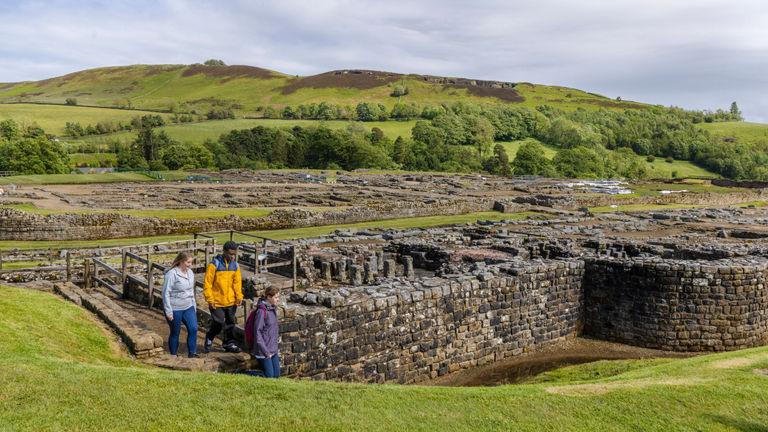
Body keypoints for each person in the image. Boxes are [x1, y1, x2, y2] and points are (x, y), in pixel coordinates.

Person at [203, 241, 243, 353]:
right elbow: (207, 284)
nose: (232, 256)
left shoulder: (235, 265)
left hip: (231, 301)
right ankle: (210, 337)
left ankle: (229, 344)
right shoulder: (213, 265)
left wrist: (239, 296)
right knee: (218, 323)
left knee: (231, 323)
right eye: (230, 254)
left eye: (234, 254)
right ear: (224, 251)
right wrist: (210, 299)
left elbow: (237, 283)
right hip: (216, 301)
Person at [161, 251, 199, 358]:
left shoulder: (190, 273)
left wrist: (194, 305)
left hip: (188, 307)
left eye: (191, 262)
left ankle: (192, 353)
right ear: (181, 262)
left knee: (193, 329)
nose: (190, 265)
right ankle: (173, 355)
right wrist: (168, 311)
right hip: (175, 308)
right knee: (175, 332)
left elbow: (191, 291)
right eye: (188, 262)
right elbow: (165, 293)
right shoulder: (172, 274)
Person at [252, 286, 281, 378]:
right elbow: (257, 332)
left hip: (273, 349)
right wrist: (266, 352)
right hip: (263, 350)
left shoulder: (273, 309)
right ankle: (242, 373)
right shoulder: (261, 311)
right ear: (269, 297)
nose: (278, 299)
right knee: (269, 377)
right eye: (276, 297)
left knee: (276, 376)